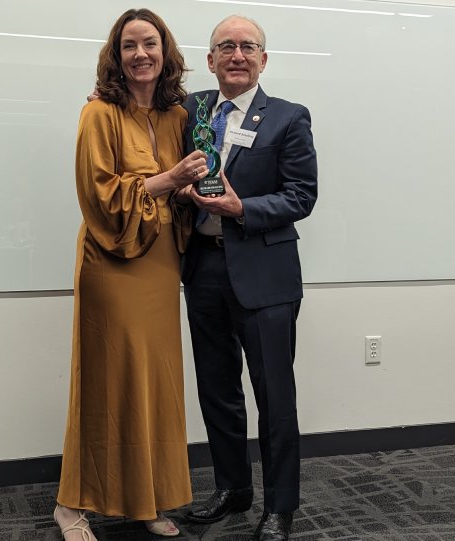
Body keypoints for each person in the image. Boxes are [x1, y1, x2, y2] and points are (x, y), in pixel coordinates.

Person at [53, 8, 209, 541]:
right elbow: (99, 196)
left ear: (165, 52)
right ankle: (71, 506)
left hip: (162, 260)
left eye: (150, 44)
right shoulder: (99, 113)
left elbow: (176, 193)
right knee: (106, 379)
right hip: (112, 259)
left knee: (155, 381)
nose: (140, 54)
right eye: (128, 46)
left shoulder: (175, 115)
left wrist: (188, 188)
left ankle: (145, 499)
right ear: (115, 56)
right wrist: (167, 179)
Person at [177, 15, 318, 541]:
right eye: (225, 47)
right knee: (216, 389)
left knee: (274, 395)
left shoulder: (287, 117)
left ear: (264, 59)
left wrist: (243, 207)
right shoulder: (189, 110)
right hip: (204, 267)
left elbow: (301, 195)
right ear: (210, 60)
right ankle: (233, 489)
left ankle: (281, 508)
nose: (237, 54)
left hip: (265, 274)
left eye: (248, 46)